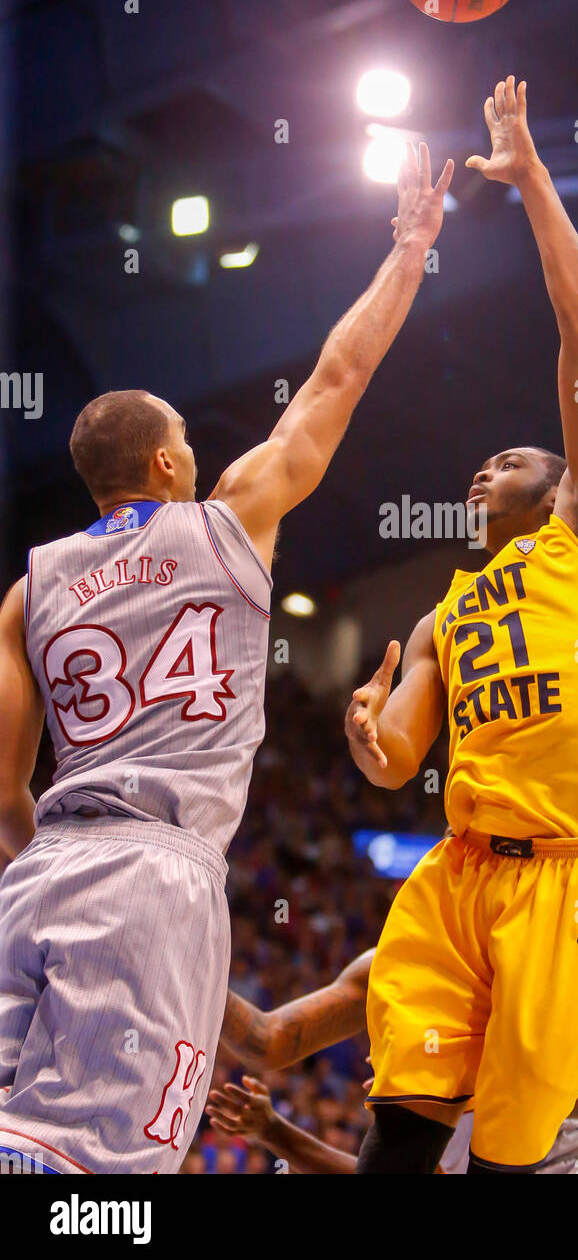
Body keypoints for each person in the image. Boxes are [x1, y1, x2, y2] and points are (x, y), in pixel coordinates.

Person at [0, 142, 453, 1175]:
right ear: (167, 462)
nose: (198, 459)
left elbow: (1, 791)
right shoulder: (226, 521)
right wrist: (407, 247)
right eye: (188, 449)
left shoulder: (30, 585)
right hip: (154, 878)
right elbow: (338, 376)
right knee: (100, 1179)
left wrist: (48, 871)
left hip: (34, 881)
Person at [345, 77, 578, 1174]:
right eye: (479, 461)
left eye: (512, 455)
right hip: (464, 872)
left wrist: (531, 177)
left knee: (505, 1161)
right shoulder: (447, 607)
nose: (488, 463)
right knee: (400, 1135)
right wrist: (369, 738)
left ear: (554, 481)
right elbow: (398, 761)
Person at [207, 949, 578, 1174]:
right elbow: (269, 1041)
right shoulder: (396, 965)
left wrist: (453, 1083)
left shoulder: (554, 951)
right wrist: (191, 972)